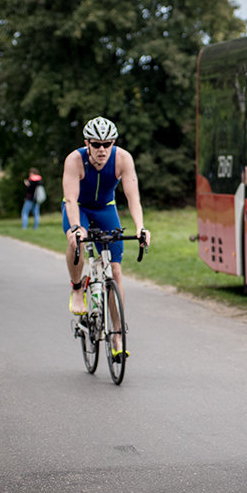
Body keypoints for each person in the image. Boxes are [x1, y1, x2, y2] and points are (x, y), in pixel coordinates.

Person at [62, 116, 151, 358]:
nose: (102, 149)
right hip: (79, 207)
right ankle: (77, 289)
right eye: (96, 144)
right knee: (75, 239)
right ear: (87, 143)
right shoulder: (74, 160)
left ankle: (117, 334)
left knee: (115, 271)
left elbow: (133, 197)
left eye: (107, 144)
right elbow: (70, 199)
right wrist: (76, 227)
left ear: (113, 143)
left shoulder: (123, 159)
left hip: (105, 208)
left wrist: (140, 227)